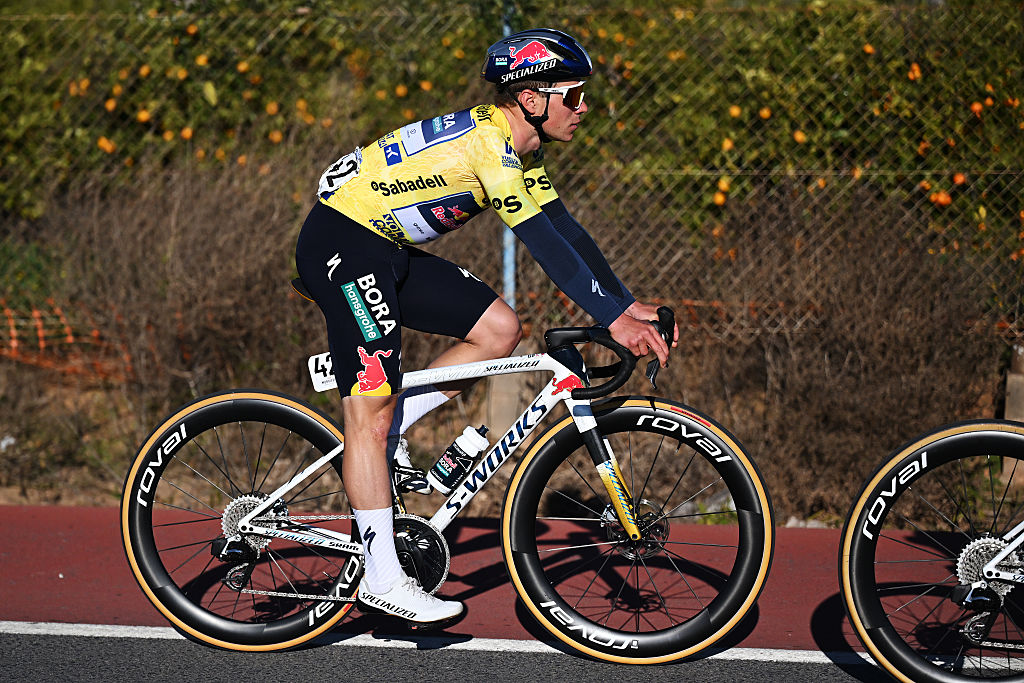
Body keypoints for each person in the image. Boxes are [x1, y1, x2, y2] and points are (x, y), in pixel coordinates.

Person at [294, 27, 678, 627]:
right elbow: (541, 246)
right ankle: (383, 575)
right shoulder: (490, 149)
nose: (584, 108)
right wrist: (612, 318)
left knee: (500, 330)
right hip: (342, 240)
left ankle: (405, 438)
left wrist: (627, 308)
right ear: (532, 98)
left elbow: (566, 231)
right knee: (368, 414)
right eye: (572, 96)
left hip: (385, 247)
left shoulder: (522, 148)